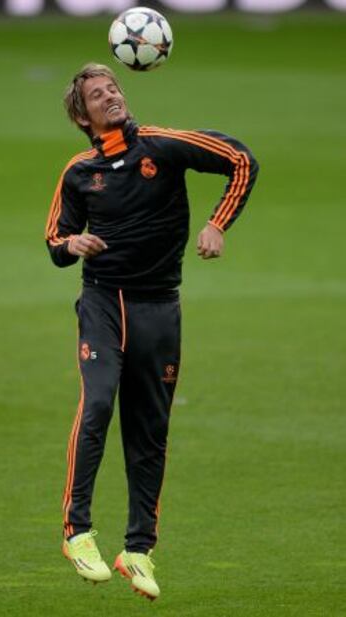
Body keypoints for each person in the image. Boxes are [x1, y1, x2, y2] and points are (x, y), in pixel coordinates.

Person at [45, 63, 259, 600]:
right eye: (98, 94)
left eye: (114, 87)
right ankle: (78, 532)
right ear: (83, 116)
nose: (111, 96)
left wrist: (217, 223)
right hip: (104, 303)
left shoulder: (162, 147)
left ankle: (137, 550)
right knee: (97, 406)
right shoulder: (78, 172)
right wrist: (74, 245)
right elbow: (55, 240)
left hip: (160, 307)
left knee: (150, 431)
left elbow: (240, 159)